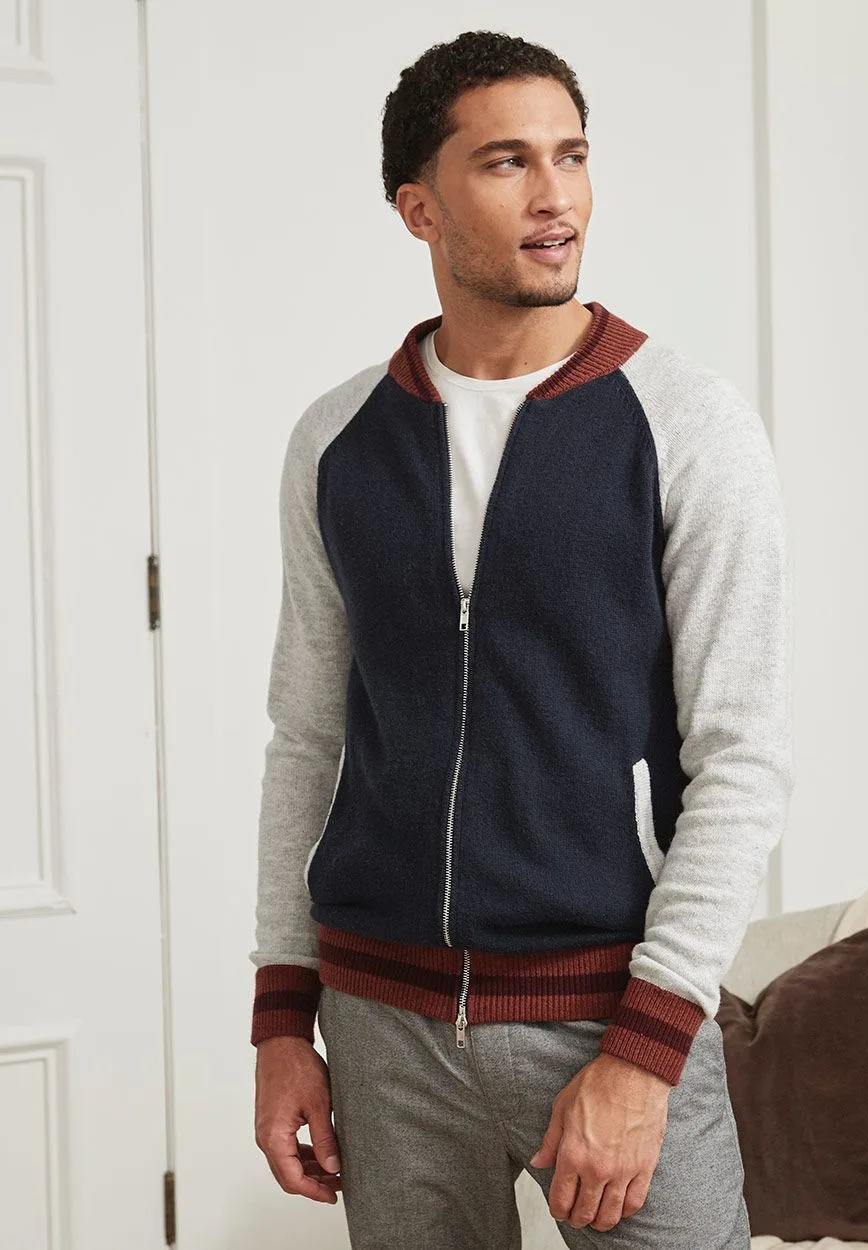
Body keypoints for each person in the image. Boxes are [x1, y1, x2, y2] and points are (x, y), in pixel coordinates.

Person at [250, 28, 793, 1250]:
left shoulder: (688, 426)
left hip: (608, 1018)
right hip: (381, 1025)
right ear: (419, 208)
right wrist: (283, 1017)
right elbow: (305, 736)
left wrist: (644, 1052)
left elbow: (743, 757)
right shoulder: (337, 441)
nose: (556, 196)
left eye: (572, 155)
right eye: (507, 162)